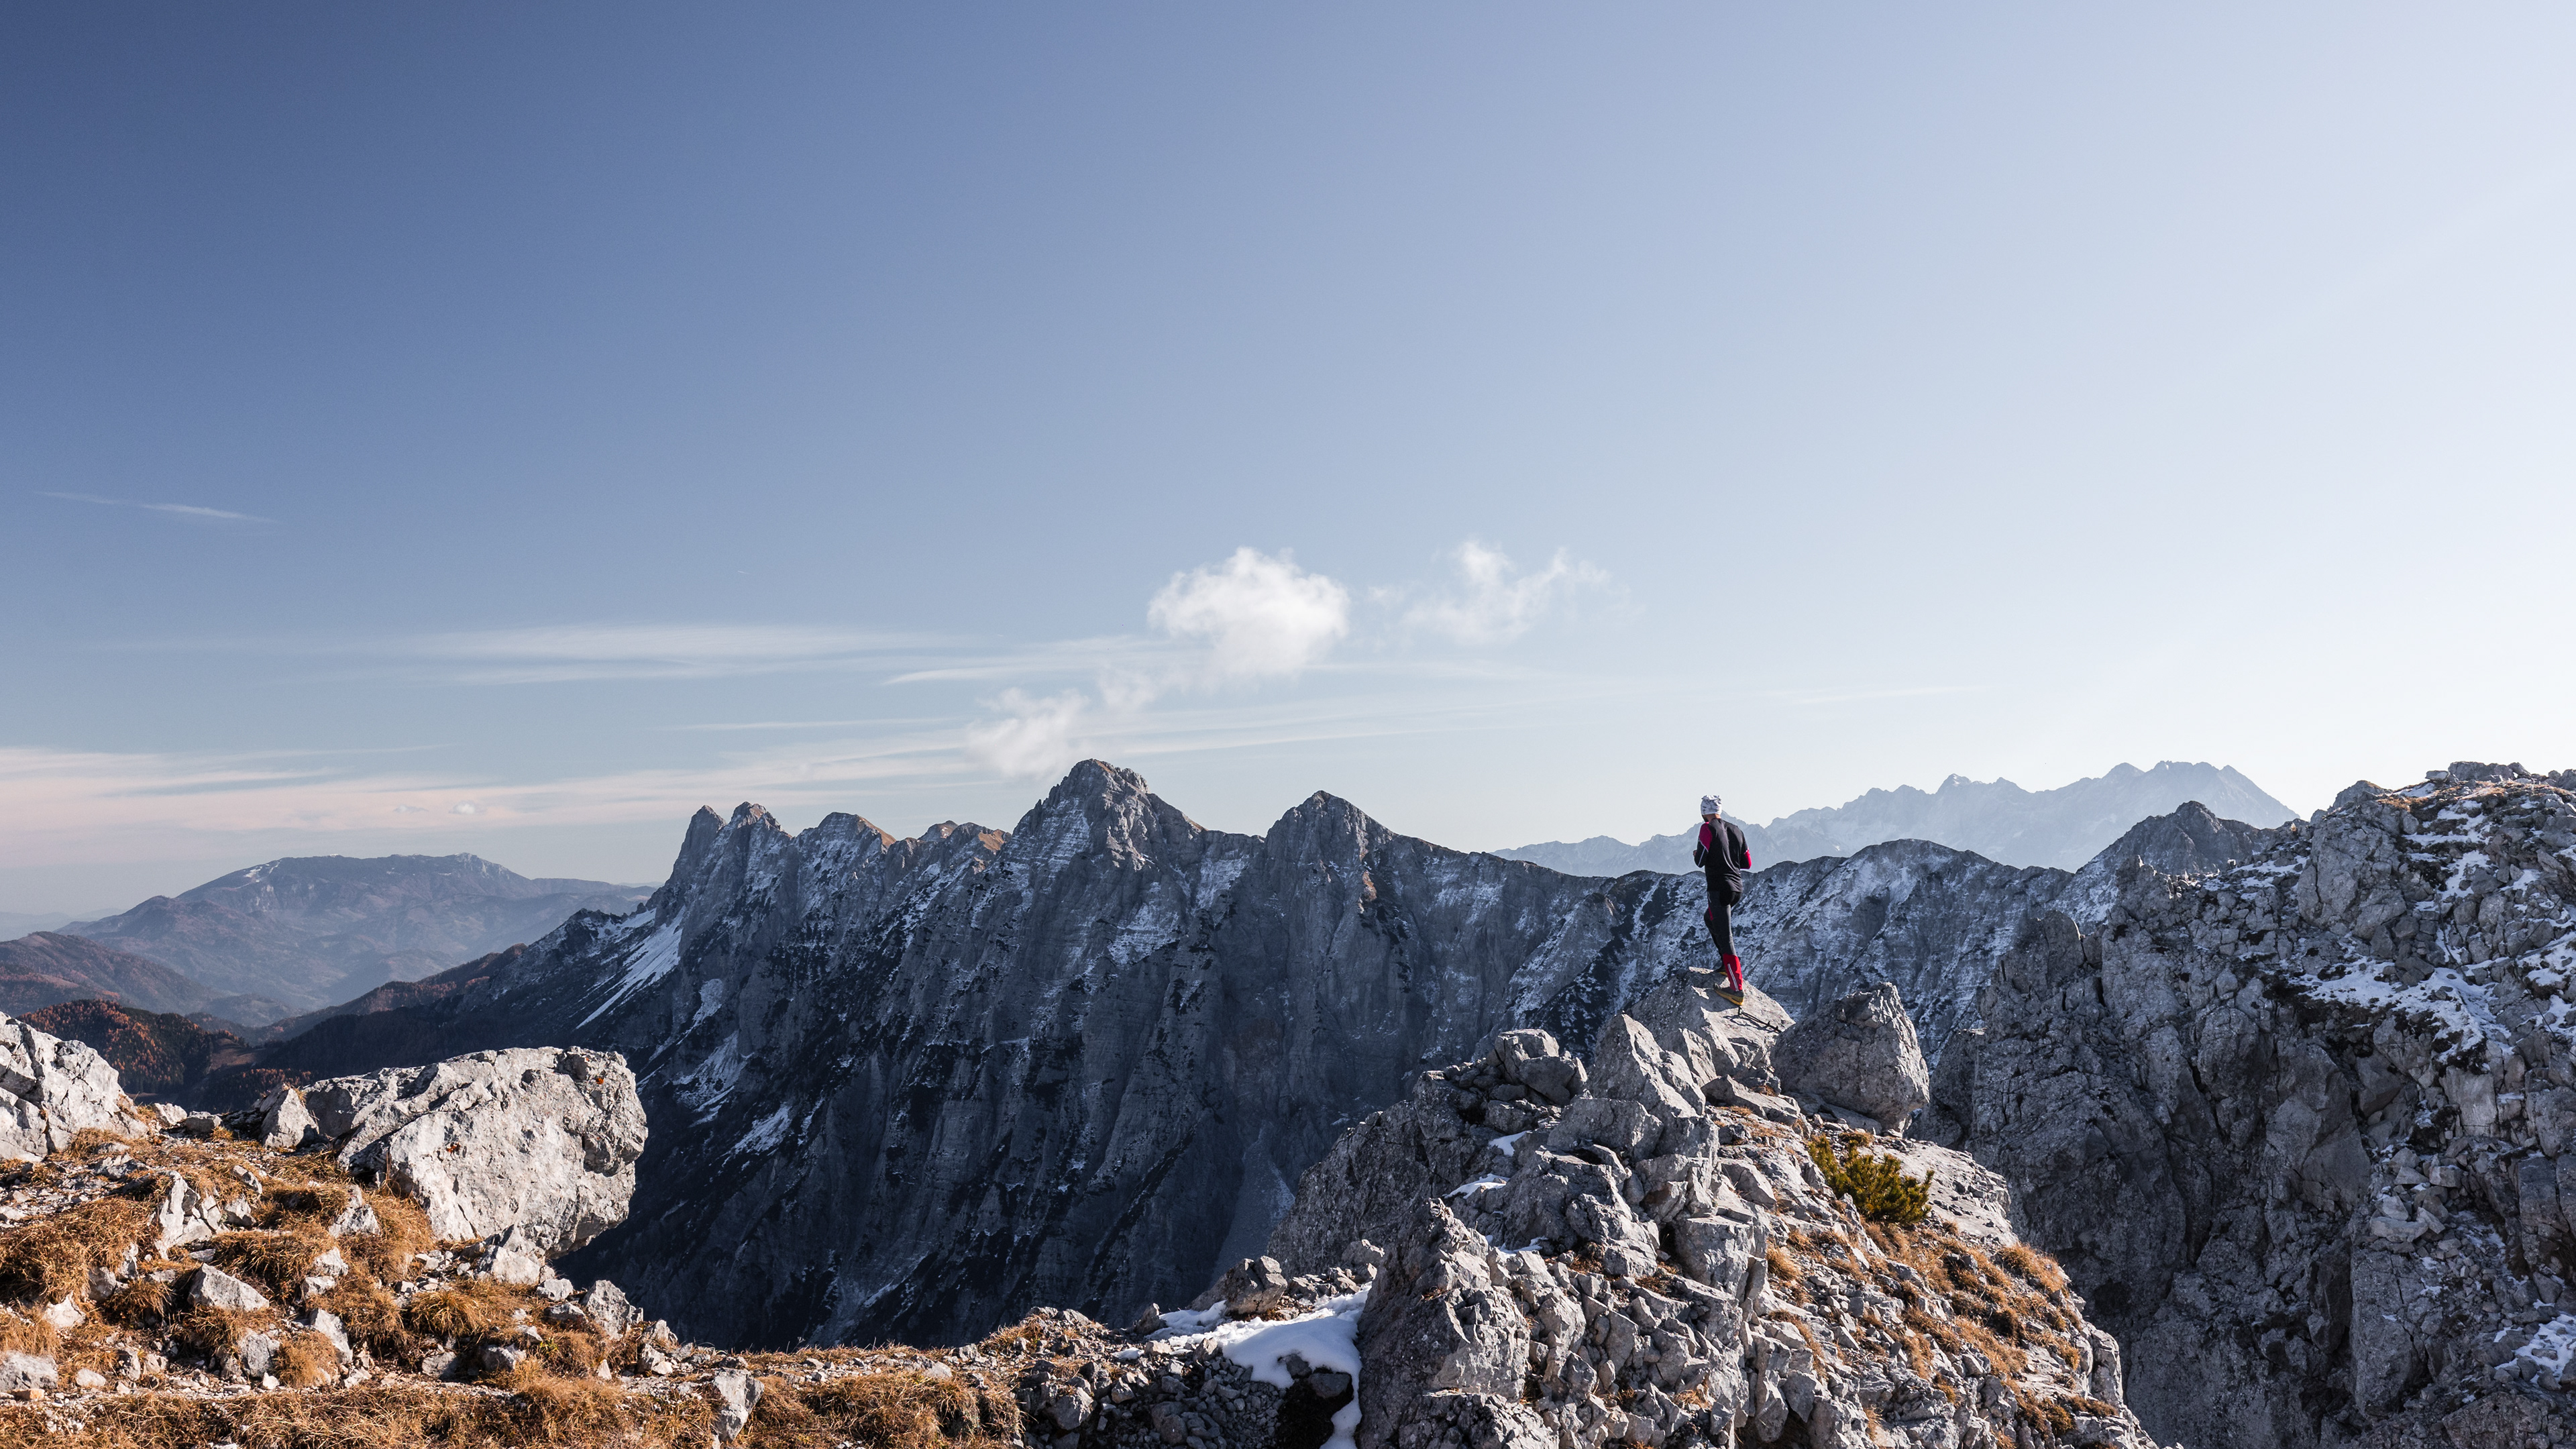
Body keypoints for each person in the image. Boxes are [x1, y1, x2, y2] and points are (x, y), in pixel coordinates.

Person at [1693, 792, 1751, 1005]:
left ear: (1703, 812)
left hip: (1718, 888)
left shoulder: (1706, 828)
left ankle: (1736, 989)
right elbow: (1747, 863)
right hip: (1737, 888)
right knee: (1710, 919)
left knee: (1726, 938)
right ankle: (1724, 967)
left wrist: (1696, 853)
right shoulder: (1737, 830)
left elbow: (1700, 860)